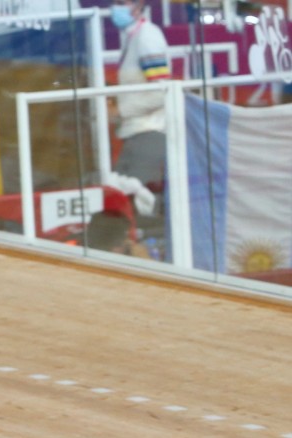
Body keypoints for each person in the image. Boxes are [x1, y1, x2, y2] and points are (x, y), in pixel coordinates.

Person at [108, 0, 169, 254]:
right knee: (119, 204)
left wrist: (120, 110)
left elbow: (161, 91)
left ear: (140, 4)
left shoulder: (148, 36)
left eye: (123, 2)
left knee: (136, 211)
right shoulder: (133, 36)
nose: (117, 7)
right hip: (136, 133)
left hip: (149, 135)